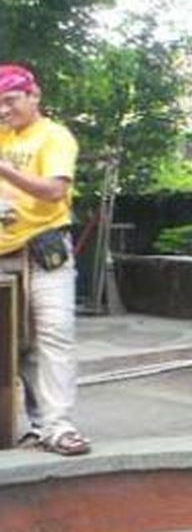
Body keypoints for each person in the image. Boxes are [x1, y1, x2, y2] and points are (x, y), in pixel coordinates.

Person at [0, 63, 88, 455]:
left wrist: (4, 169)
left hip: (43, 250)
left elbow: (54, 190)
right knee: (13, 344)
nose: (4, 110)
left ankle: (57, 425)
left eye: (10, 101)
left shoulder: (55, 136)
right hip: (3, 251)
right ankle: (34, 424)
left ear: (34, 96)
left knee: (53, 335)